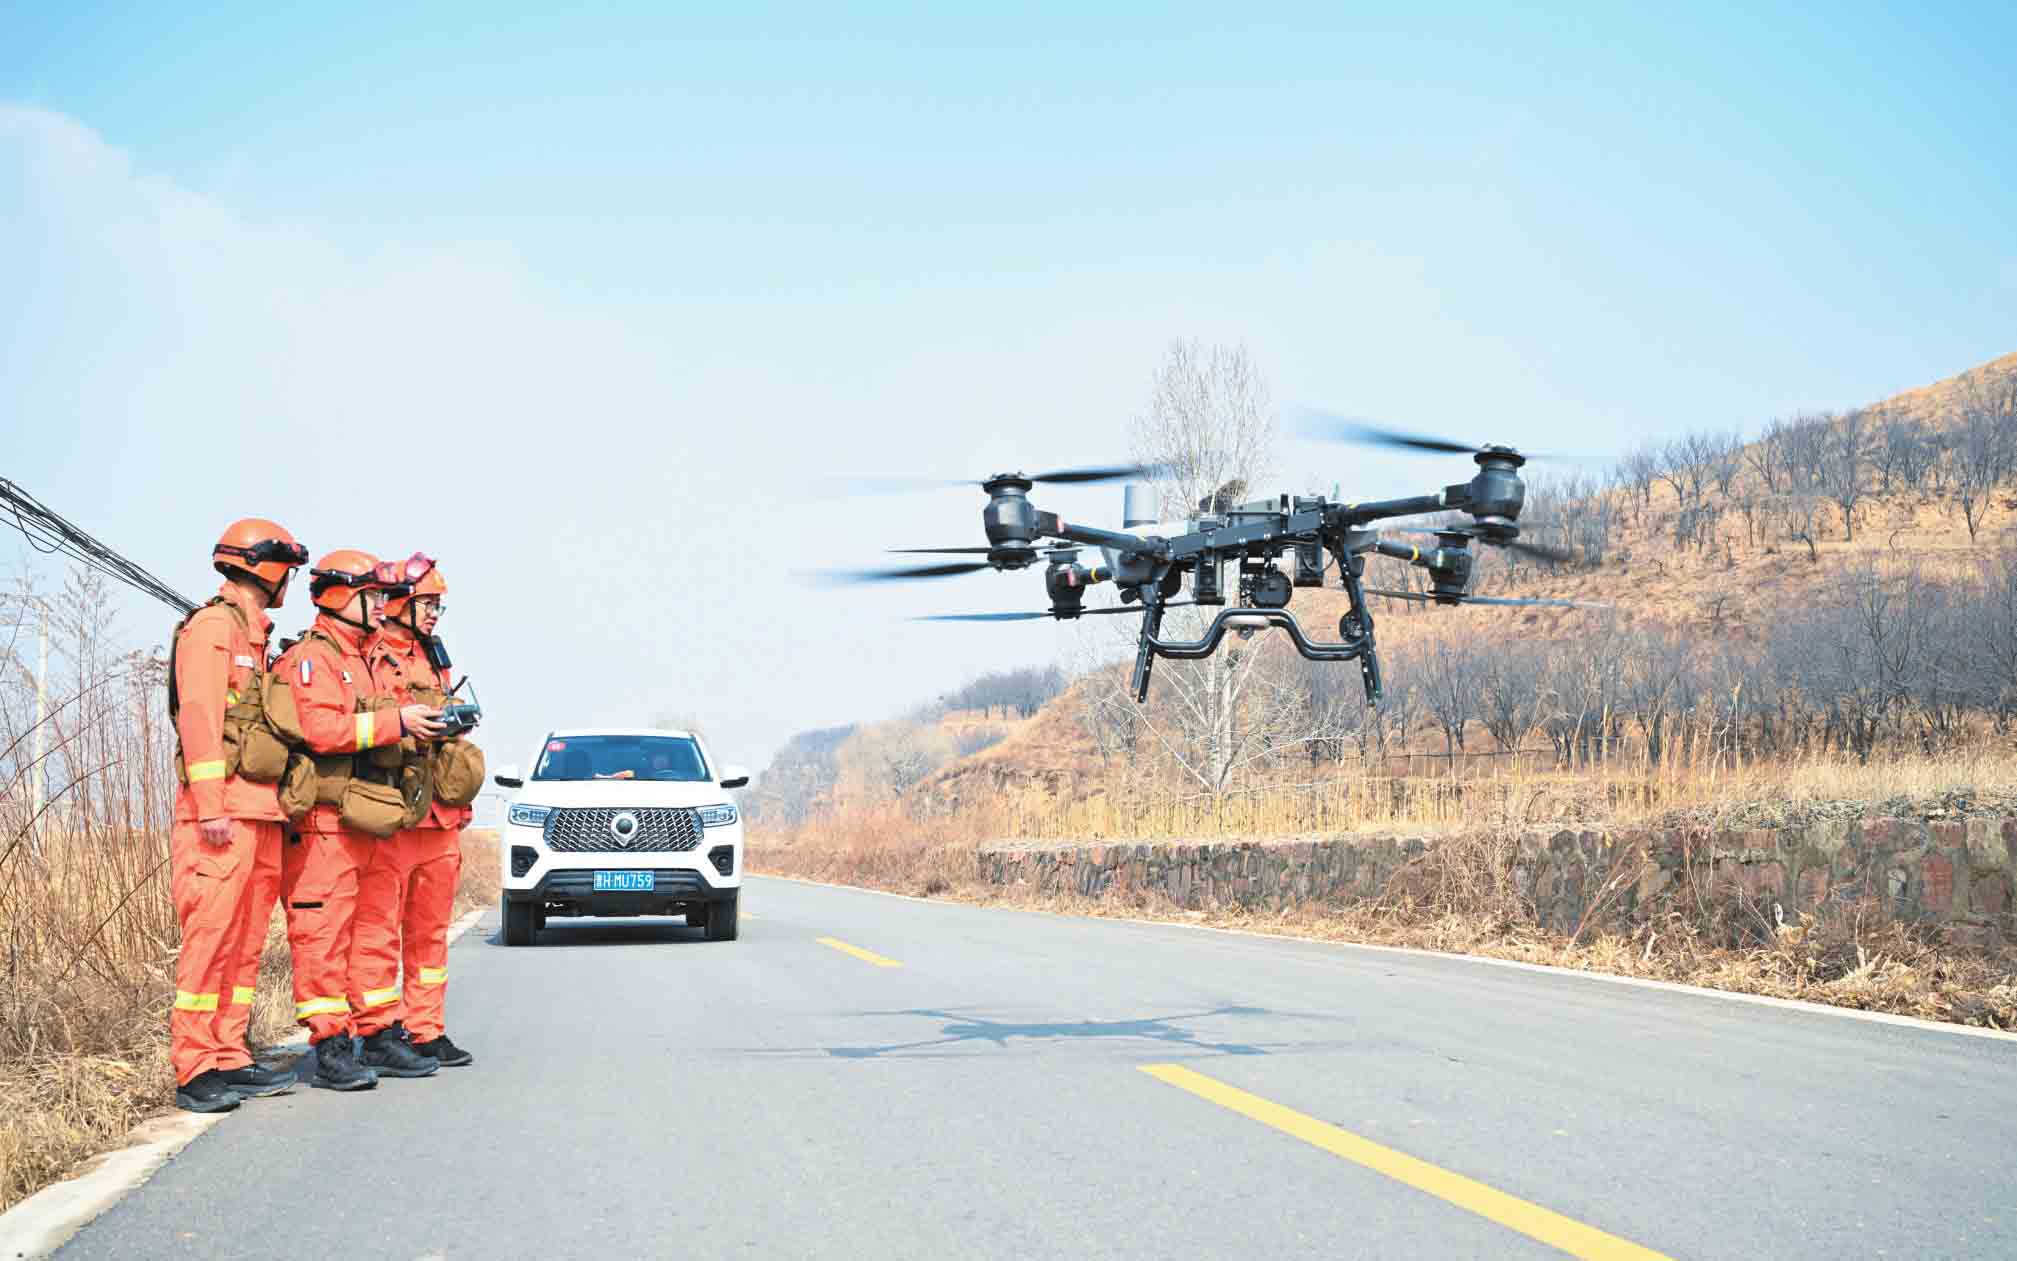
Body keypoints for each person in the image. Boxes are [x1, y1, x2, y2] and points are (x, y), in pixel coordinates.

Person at [275, 550, 445, 1090]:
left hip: (370, 817)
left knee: (374, 932)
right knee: (323, 935)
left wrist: (419, 727)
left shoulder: (367, 657)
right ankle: (330, 1044)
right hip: (326, 821)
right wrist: (397, 722)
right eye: (370, 596)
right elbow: (321, 730)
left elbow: (380, 721)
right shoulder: (313, 657)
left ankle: (377, 1032)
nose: (380, 605)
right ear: (339, 597)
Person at [167, 519, 310, 1113]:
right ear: (265, 568)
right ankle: (195, 1066)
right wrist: (210, 807)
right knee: (210, 940)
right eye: (288, 571)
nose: (290, 583)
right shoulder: (213, 629)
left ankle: (229, 1053)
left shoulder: (256, 637)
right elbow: (199, 718)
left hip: (260, 812)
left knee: (244, 942)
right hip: (222, 814)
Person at [358, 554, 479, 1068]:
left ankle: (426, 1029)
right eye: (426, 604)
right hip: (391, 815)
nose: (433, 614)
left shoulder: (434, 655)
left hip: (439, 816)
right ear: (397, 602)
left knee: (430, 934)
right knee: (378, 930)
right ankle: (377, 1032)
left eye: (437, 606)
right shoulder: (366, 653)